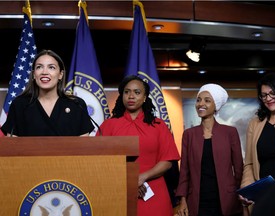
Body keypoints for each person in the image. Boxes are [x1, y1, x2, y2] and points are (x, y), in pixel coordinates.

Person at [97, 75, 180, 216]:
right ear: (121, 95)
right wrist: (129, 180)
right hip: (118, 189)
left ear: (145, 97)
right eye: (127, 91)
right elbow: (99, 161)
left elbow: (167, 161)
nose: (131, 96)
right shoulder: (108, 125)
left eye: (137, 92)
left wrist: (142, 178)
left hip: (153, 192)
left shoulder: (159, 125)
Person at [175, 83, 243, 216]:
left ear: (216, 105)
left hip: (227, 201)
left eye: (207, 100)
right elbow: (184, 171)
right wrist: (183, 200)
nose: (201, 104)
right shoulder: (189, 134)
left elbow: (239, 168)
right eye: (198, 100)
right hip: (197, 201)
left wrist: (241, 193)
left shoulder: (230, 132)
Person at [0, 49, 94, 136]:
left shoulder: (77, 104)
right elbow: (12, 146)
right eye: (39, 67)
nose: (44, 72)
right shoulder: (19, 104)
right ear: (33, 74)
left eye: (51, 67)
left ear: (60, 74)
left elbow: (84, 146)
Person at [239, 72, 275, 214]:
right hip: (263, 199)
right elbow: (249, 163)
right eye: (264, 95)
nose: (268, 99)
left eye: (273, 93)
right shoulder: (255, 124)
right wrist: (246, 190)